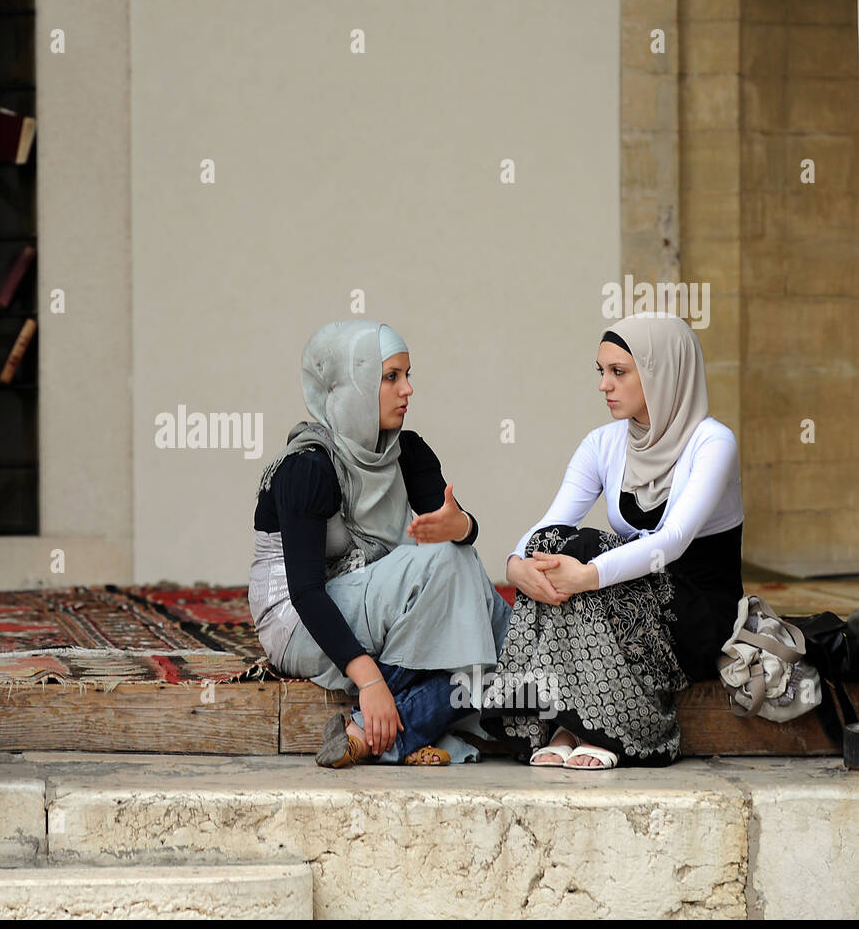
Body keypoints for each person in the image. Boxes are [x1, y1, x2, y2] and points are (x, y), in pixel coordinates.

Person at [482, 312, 743, 769]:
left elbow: (675, 540)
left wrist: (588, 574)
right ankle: (571, 722)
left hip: (696, 616)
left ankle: (624, 731)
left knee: (582, 550)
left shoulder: (712, 442)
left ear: (662, 373)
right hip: (627, 603)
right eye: (601, 372)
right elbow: (551, 522)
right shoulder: (603, 443)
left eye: (618, 372)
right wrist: (515, 566)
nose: (604, 385)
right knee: (553, 541)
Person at [249, 319, 510, 768]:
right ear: (351, 385)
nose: (407, 390)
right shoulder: (308, 467)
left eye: (408, 376)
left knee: (503, 636)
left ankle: (371, 734)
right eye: (391, 378)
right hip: (299, 621)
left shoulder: (407, 452)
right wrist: (369, 681)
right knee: (452, 571)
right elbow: (306, 591)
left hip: (379, 605)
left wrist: (460, 524)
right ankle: (396, 721)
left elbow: (459, 534)